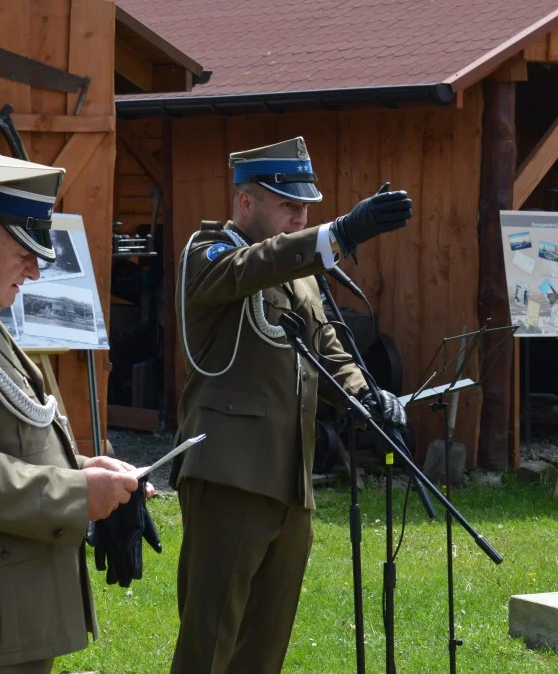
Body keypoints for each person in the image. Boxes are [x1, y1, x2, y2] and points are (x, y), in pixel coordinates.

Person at [171, 136, 411, 673]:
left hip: (290, 479)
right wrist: (339, 233)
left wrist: (367, 398)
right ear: (246, 202)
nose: (299, 218)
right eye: (288, 206)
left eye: (306, 209)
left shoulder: (298, 272)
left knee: (265, 647)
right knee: (210, 643)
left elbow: (327, 348)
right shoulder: (208, 253)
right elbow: (256, 265)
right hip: (230, 473)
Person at [0, 154, 142, 673]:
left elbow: (7, 437)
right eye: (24, 251)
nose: (36, 270)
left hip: (0, 619)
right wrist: (75, 495)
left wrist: (81, 470)